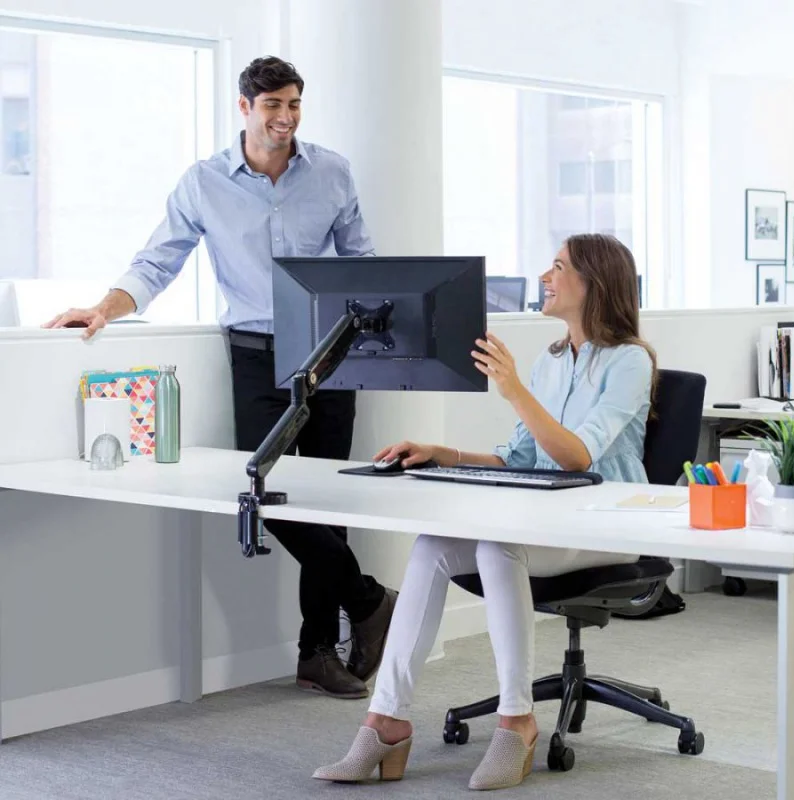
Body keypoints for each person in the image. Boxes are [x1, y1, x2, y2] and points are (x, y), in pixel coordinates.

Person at [42, 56, 397, 700]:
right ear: (244, 107)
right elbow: (158, 261)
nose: (285, 118)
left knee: (326, 501)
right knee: (265, 489)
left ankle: (317, 653)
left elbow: (361, 260)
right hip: (257, 353)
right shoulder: (204, 182)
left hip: (332, 352)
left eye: (294, 104)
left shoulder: (333, 171)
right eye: (273, 106)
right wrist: (102, 309)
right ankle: (368, 599)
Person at [313, 233, 657, 791]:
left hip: (608, 523)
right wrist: (438, 452)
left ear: (594, 282)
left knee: (498, 544)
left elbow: (577, 457)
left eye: (558, 267)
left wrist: (514, 389)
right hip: (548, 519)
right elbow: (515, 457)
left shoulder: (630, 362)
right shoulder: (551, 362)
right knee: (432, 544)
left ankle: (517, 722)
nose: (544, 277)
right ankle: (385, 722)